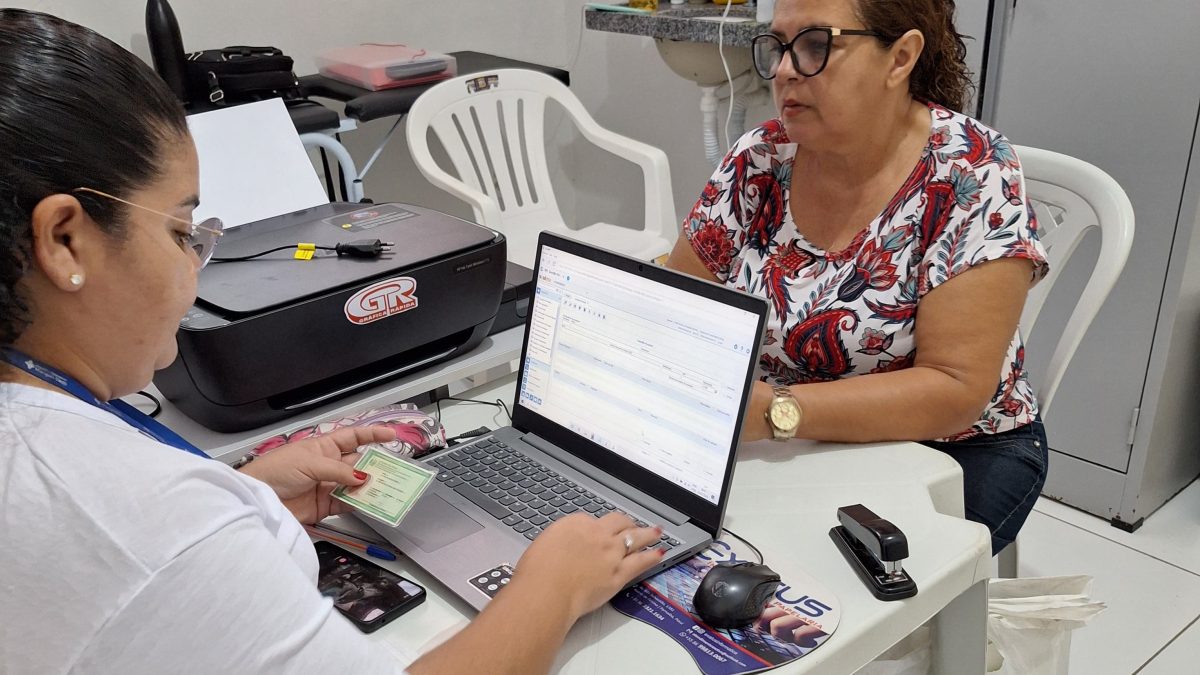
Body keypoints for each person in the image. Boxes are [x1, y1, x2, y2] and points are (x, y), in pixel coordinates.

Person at [0, 10, 661, 674]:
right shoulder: (153, 525)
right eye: (180, 231)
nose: (194, 264)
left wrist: (247, 494)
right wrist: (553, 585)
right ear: (65, 240)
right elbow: (146, 546)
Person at [666, 0, 1049, 554]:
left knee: (811, 584)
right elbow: (681, 304)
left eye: (817, 46)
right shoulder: (761, 159)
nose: (786, 70)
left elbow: (954, 389)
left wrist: (776, 411)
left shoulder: (970, 171)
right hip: (783, 435)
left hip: (954, 447)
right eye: (777, 47)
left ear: (901, 58)